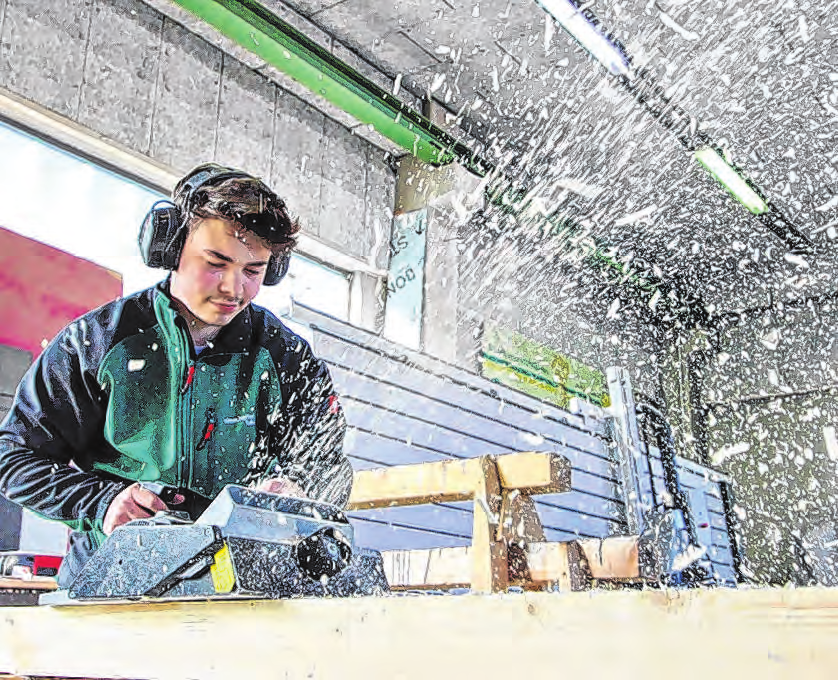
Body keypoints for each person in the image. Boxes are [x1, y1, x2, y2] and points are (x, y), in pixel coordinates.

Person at [0, 163, 351, 586]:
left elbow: (328, 464)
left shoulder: (285, 357)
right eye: (216, 262)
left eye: (252, 270)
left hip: (237, 585)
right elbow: (13, 457)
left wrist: (299, 493)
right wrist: (101, 502)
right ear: (171, 247)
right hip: (108, 581)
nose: (233, 288)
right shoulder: (97, 341)